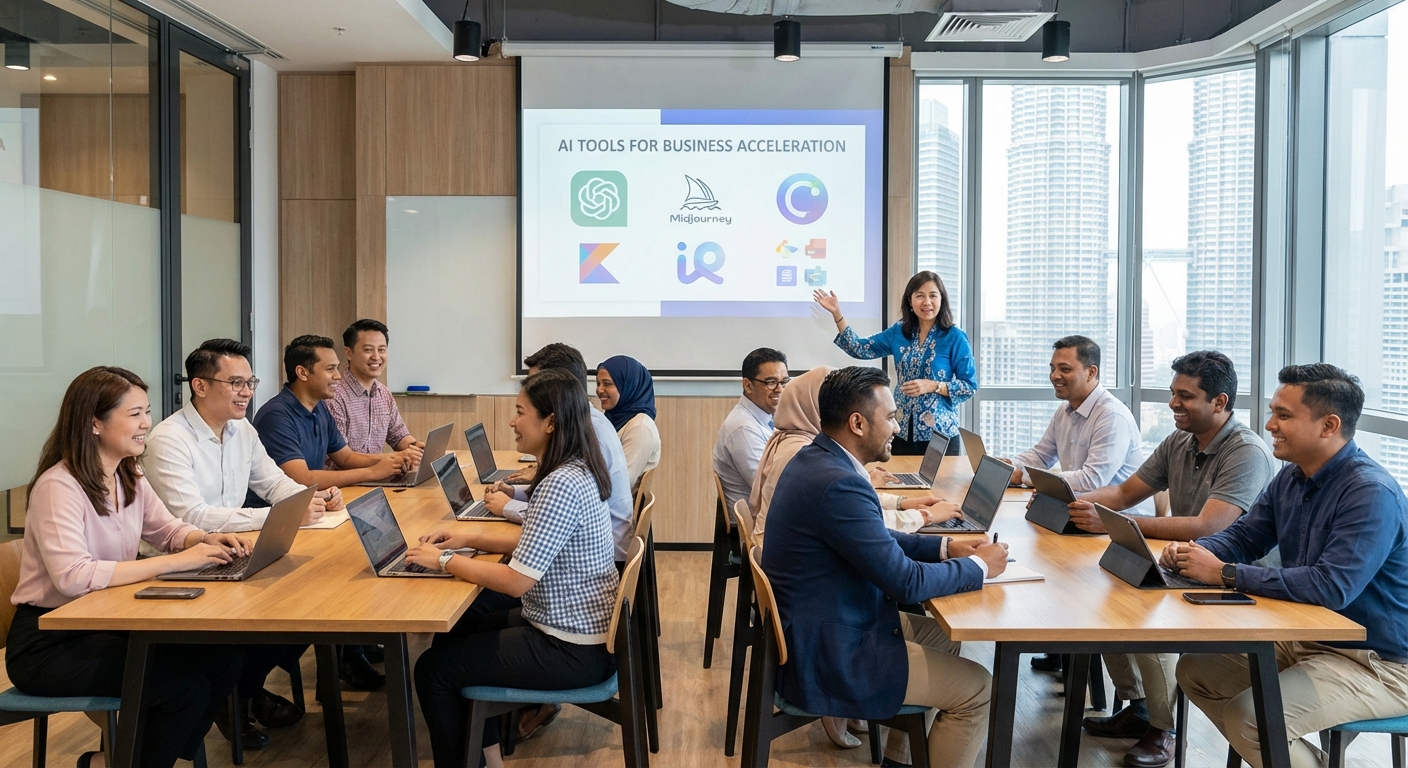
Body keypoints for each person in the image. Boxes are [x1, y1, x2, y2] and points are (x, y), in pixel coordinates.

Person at [763, 366, 1008, 768]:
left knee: (946, 639)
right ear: (857, 423)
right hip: (829, 651)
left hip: (821, 623)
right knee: (979, 690)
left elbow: (878, 541)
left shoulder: (818, 460)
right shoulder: (839, 483)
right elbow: (906, 583)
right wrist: (981, 566)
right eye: (891, 417)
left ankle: (900, 760)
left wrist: (947, 549)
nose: (896, 427)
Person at [6, 367, 245, 768]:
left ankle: (125, 758)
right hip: (51, 641)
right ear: (94, 423)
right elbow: (73, 577)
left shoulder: (127, 473)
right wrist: (177, 561)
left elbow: (166, 529)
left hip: (106, 621)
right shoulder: (59, 485)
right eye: (134, 414)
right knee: (181, 690)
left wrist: (202, 539)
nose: (146, 424)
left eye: (147, 412)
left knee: (224, 659)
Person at [1173, 363, 1408, 768]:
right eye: (1272, 412)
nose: (1269, 425)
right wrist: (1195, 552)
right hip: (1309, 639)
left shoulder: (1370, 493)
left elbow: (1329, 587)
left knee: (1250, 718)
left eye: (1283, 415)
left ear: (1328, 425)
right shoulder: (1293, 477)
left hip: (1379, 663)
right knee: (1197, 670)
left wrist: (1223, 573)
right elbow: (1245, 537)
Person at [1067, 351, 1274, 768]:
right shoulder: (1178, 440)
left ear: (1220, 402)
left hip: (1234, 582)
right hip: (1184, 564)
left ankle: (1165, 729)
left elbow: (1207, 528)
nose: (1173, 403)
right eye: (1172, 393)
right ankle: (1142, 706)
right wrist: (1071, 498)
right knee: (1106, 595)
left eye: (1185, 396)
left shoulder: (1246, 452)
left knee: (1146, 614)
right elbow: (1126, 495)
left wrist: (1117, 523)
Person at [408, 369, 620, 768]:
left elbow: (517, 581)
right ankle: (488, 759)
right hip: (578, 633)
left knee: (433, 671)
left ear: (551, 422)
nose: (512, 421)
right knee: (461, 628)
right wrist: (471, 539)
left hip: (571, 649)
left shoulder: (560, 482)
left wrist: (444, 561)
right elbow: (539, 543)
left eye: (520, 412)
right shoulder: (575, 468)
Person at [144, 339, 338, 747]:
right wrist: (281, 515)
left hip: (232, 555)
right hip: (179, 567)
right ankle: (234, 696)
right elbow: (190, 516)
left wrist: (313, 496)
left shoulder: (242, 429)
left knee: (310, 607)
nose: (247, 391)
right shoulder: (169, 439)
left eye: (250, 381)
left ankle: (241, 693)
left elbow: (274, 483)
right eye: (235, 383)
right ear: (199, 385)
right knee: (276, 619)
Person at [249, 334, 416, 690]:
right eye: (331, 369)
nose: (339, 376)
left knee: (363, 554)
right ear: (302, 373)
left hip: (312, 516)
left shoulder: (318, 408)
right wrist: (374, 471)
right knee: (344, 573)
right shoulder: (278, 415)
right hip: (275, 529)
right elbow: (301, 477)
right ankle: (337, 659)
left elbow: (345, 458)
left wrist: (389, 460)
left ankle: (349, 650)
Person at [1001, 335, 1150, 680]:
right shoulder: (1066, 410)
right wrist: (1008, 462)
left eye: (1064, 368)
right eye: (1052, 368)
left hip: (1111, 529)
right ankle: (1061, 647)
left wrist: (1024, 476)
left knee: (1044, 557)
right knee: (1035, 550)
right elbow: (1040, 455)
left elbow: (1093, 479)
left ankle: (1072, 652)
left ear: (1091, 372)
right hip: (1076, 519)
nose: (1054, 375)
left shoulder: (1110, 416)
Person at [750, 365, 962, 541]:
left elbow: (852, 509)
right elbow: (862, 521)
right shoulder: (800, 451)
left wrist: (901, 503)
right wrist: (926, 516)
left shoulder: (800, 442)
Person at [814, 271, 977, 456]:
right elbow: (859, 348)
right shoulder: (899, 332)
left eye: (933, 296)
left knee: (940, 485)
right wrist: (837, 314)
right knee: (900, 483)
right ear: (910, 300)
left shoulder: (955, 337)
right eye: (920, 296)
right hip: (900, 430)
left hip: (940, 435)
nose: (927, 302)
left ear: (942, 300)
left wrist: (934, 386)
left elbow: (969, 386)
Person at [326, 319, 425, 470]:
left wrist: (416, 448)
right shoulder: (334, 396)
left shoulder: (383, 393)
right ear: (348, 352)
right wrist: (395, 458)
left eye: (382, 349)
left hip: (374, 480)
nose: (376, 357)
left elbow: (398, 436)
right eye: (368, 350)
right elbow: (343, 458)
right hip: (343, 485)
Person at [712, 347, 788, 512]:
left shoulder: (768, 417)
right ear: (748, 385)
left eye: (784, 382)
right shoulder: (743, 428)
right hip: (752, 529)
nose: (780, 389)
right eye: (771, 382)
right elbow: (770, 490)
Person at [596, 355, 660, 489]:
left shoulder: (641, 427)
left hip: (613, 507)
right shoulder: (609, 420)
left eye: (607, 384)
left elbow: (620, 484)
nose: (599, 390)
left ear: (629, 386)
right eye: (598, 383)